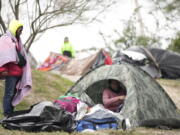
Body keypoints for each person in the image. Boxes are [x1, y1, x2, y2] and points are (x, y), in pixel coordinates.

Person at [0, 20, 32, 118]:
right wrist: (2, 69)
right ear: (14, 29)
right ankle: (7, 114)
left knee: (14, 94)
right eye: (20, 30)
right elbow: (2, 55)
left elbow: (21, 56)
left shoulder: (18, 41)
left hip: (18, 72)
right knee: (9, 94)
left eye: (22, 30)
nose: (21, 32)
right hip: (10, 73)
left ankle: (11, 113)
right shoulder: (5, 39)